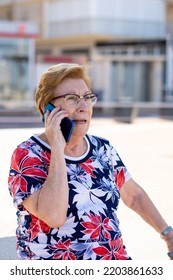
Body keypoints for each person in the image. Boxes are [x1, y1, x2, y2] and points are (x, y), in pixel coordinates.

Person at [8, 63, 173, 260]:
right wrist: (58, 147)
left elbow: (133, 196)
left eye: (87, 98)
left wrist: (168, 235)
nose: (83, 107)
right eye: (71, 99)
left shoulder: (102, 148)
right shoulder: (27, 154)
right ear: (47, 108)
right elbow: (54, 216)